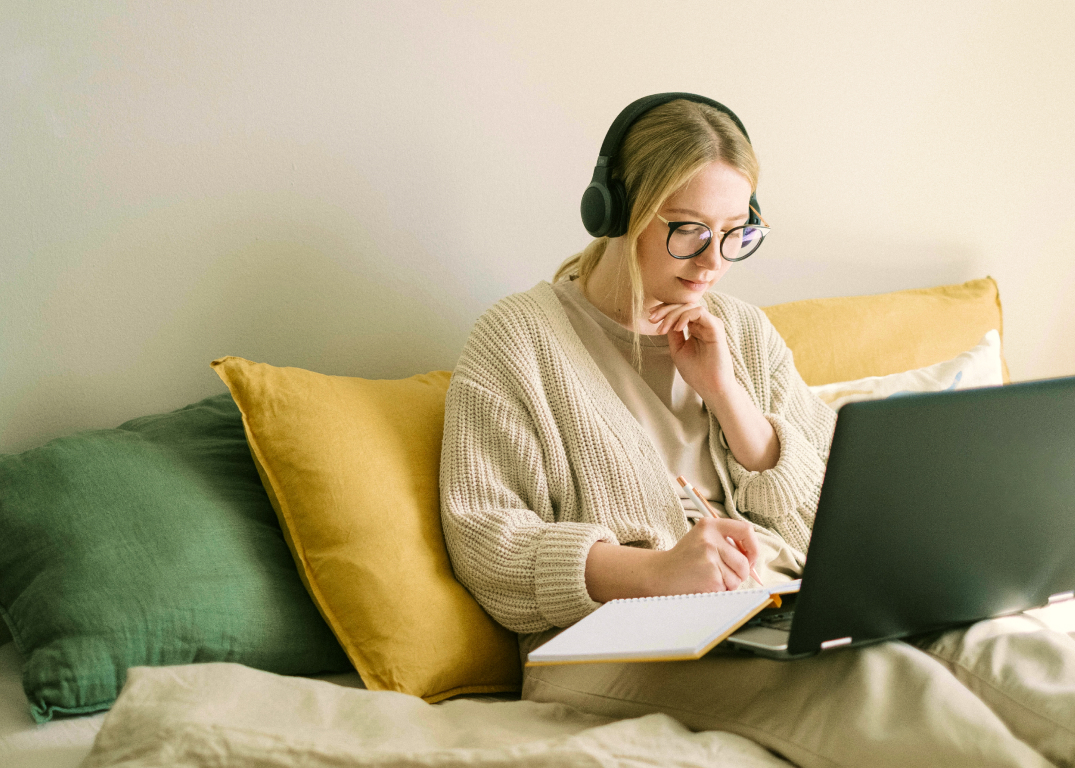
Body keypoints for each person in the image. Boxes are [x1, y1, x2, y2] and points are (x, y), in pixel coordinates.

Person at [439, 94, 1075, 768]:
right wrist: (657, 572)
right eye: (687, 229)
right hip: (607, 644)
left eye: (735, 231)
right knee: (887, 689)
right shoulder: (516, 339)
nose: (713, 261)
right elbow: (487, 542)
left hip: (778, 609)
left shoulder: (740, 330)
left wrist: (729, 397)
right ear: (616, 212)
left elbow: (841, 505)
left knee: (1005, 650)